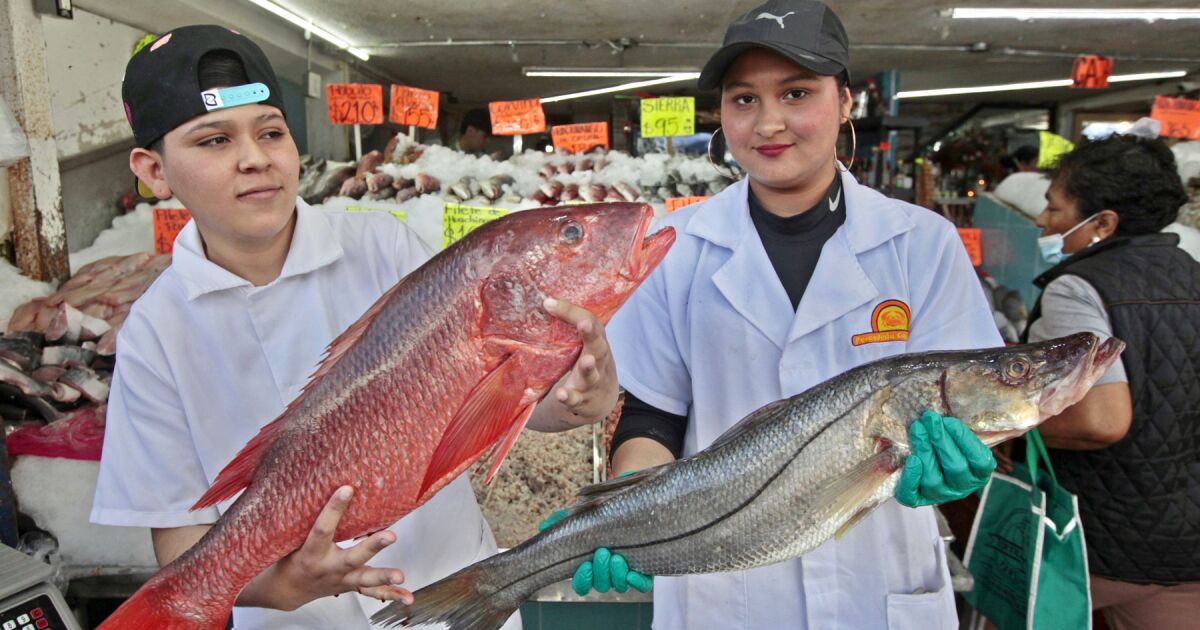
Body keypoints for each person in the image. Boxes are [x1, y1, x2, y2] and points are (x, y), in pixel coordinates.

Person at [90, 25, 615, 629]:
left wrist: (577, 399)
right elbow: (183, 553)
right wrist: (281, 588)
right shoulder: (155, 333)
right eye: (213, 140)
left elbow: (497, 403)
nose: (255, 157)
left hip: (451, 599)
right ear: (153, 171)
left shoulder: (383, 246)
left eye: (271, 132)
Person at [547, 1, 1004, 628]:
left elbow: (972, 399)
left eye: (796, 93)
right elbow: (652, 418)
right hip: (722, 576)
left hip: (878, 575)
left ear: (845, 102)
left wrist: (958, 465)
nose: (769, 123)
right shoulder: (677, 248)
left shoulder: (920, 243)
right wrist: (631, 513)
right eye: (743, 100)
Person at [1023, 134, 1200, 629]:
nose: (1043, 221)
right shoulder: (1193, 274)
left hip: (1096, 541)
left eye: (1055, 209)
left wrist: (1006, 426)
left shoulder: (1078, 289)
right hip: (1187, 545)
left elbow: (1100, 421)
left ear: (1102, 223)